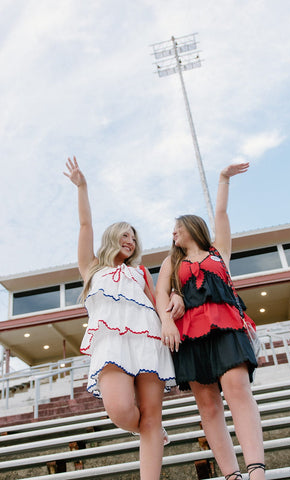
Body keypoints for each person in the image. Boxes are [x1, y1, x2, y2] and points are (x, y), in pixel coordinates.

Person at [64, 156, 183, 480]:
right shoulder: (92, 268)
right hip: (111, 344)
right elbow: (85, 226)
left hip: (148, 341)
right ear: (113, 237)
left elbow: (156, 301)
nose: (130, 241)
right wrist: (82, 187)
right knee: (120, 410)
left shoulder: (140, 271)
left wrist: (173, 301)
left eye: (134, 238)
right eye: (125, 235)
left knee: (152, 417)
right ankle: (153, 433)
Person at [156, 162, 266, 480]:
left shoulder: (218, 252)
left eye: (178, 226)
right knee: (208, 406)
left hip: (227, 325)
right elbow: (160, 293)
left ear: (193, 227)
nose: (173, 232)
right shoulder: (170, 262)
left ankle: (256, 470)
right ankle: (231, 475)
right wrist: (166, 322)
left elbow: (221, 215)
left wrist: (223, 180)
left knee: (237, 390)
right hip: (189, 335)